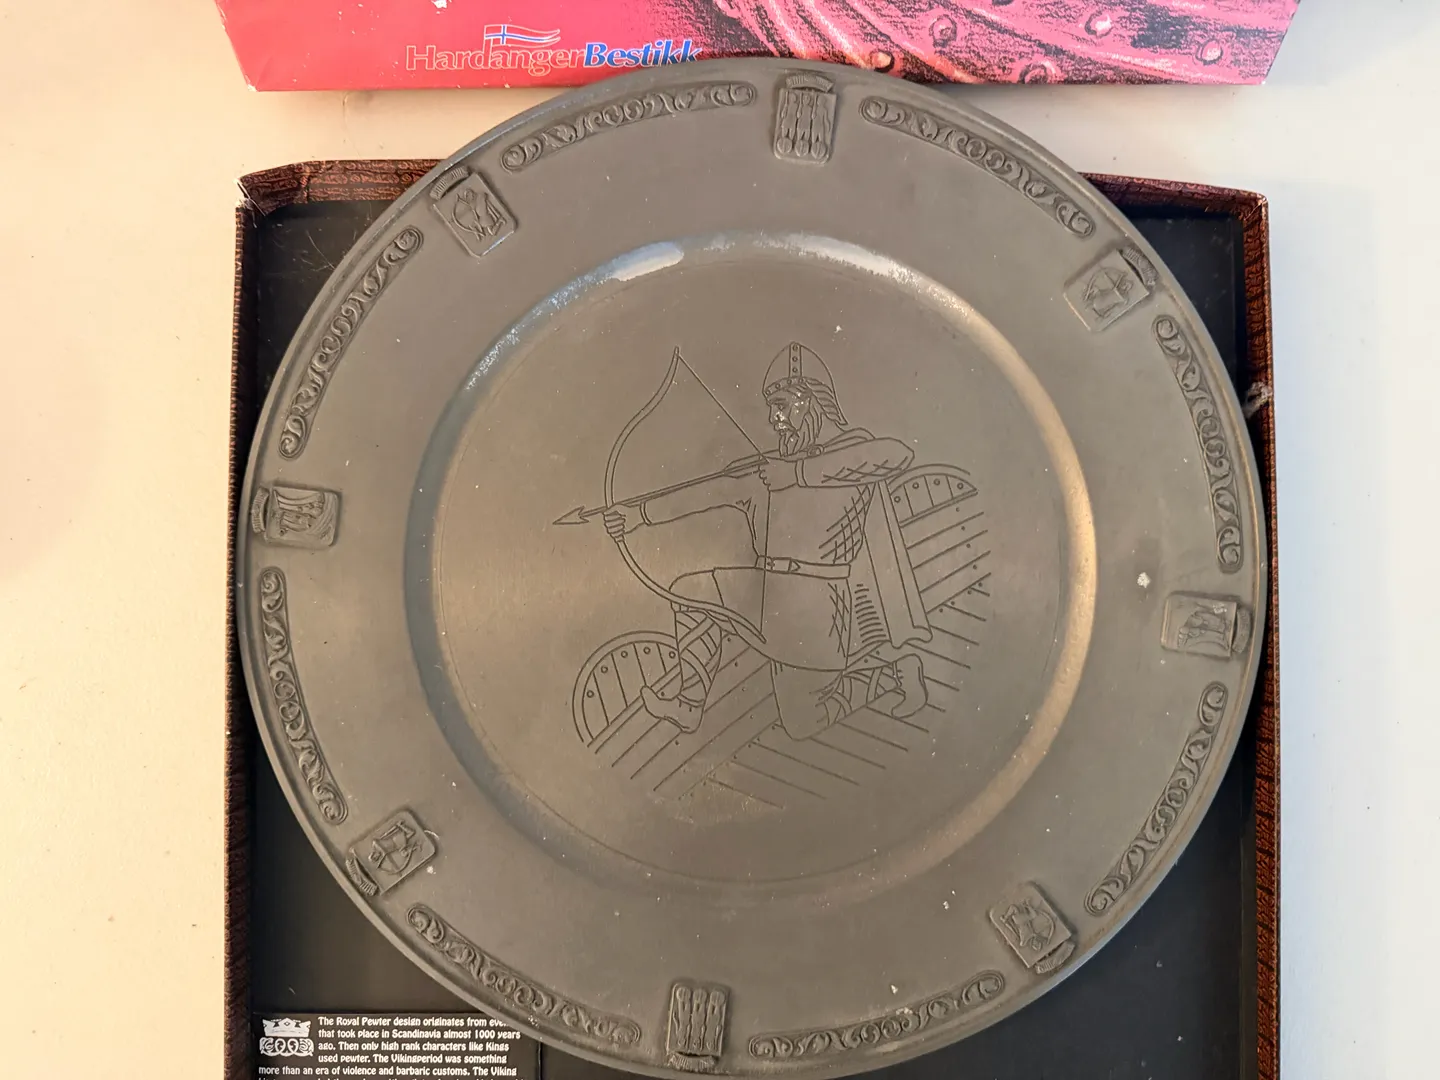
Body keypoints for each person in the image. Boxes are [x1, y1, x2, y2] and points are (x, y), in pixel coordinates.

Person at [603, 342, 931, 739]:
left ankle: (893, 674)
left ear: (811, 398)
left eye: (781, 404)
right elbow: (708, 493)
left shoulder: (853, 452)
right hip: (760, 594)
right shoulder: (770, 469)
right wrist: (637, 515)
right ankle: (689, 702)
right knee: (691, 591)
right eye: (771, 408)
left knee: (803, 722)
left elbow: (897, 455)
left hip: (817, 607)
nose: (774, 419)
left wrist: (798, 474)